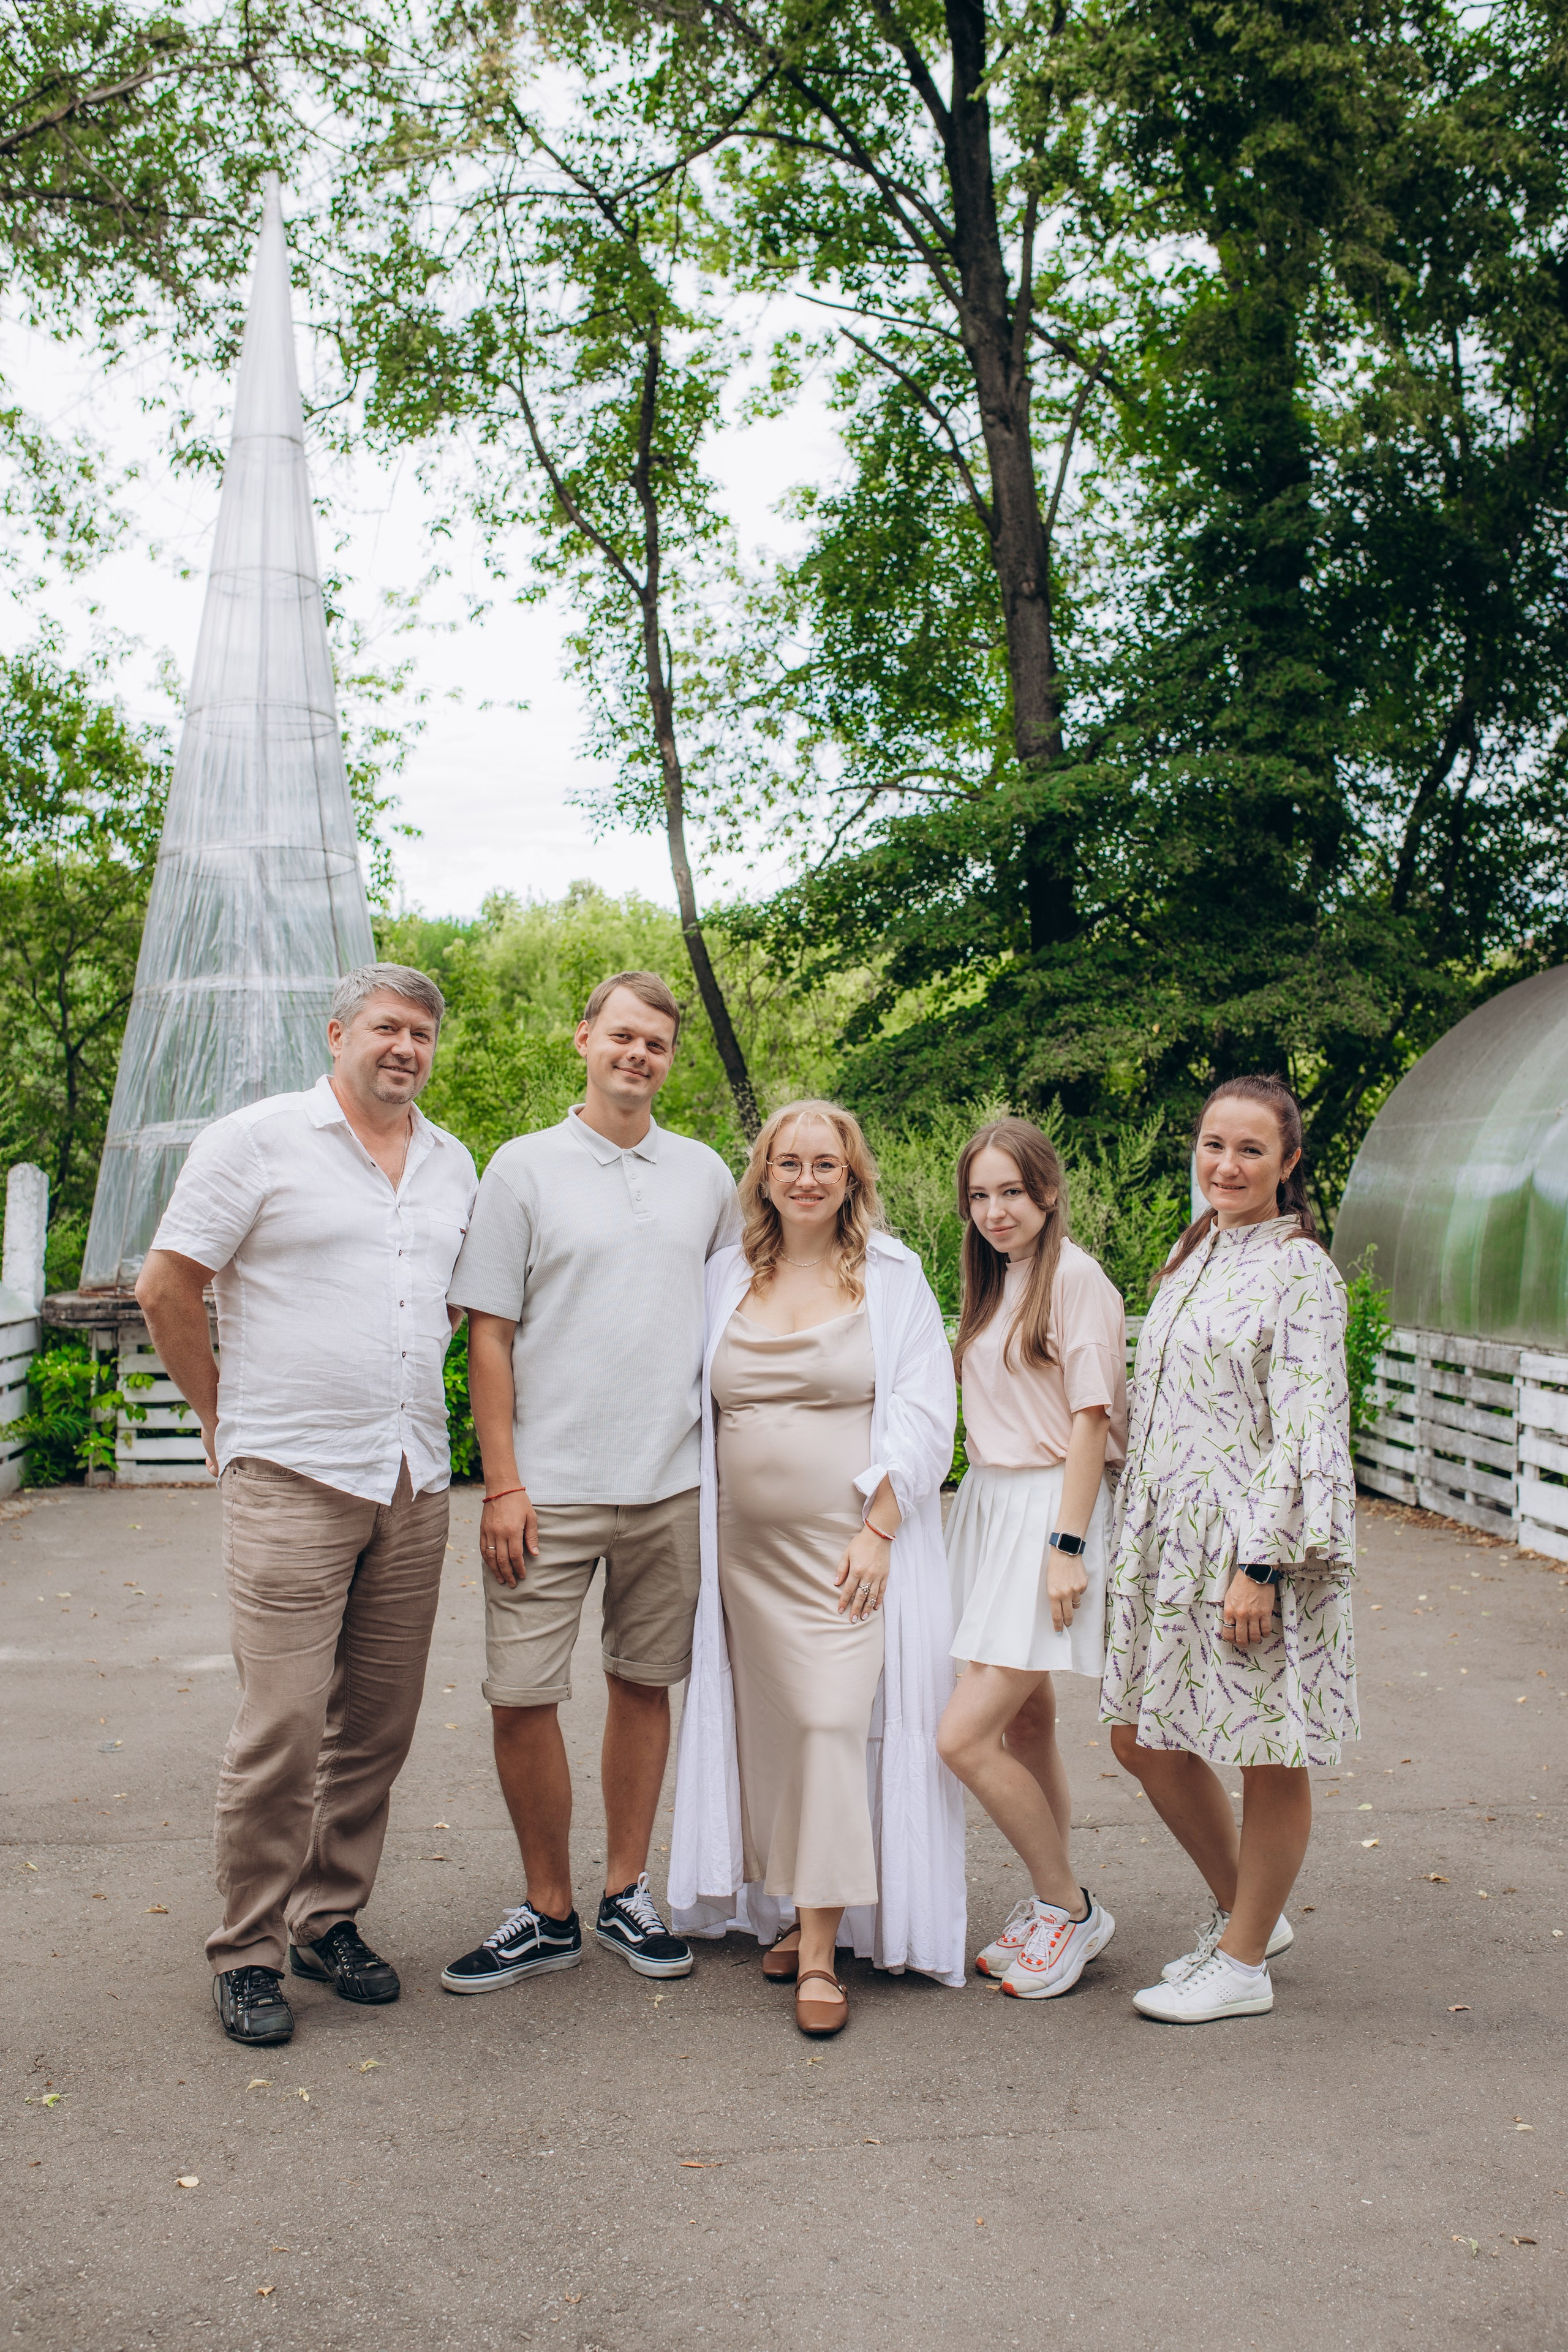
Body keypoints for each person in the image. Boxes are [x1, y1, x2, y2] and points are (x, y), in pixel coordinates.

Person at [135, 964, 477, 2047]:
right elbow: (166, 1286)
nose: (406, 1049)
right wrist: (223, 1419)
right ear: (338, 1034)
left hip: (411, 1478)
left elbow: (444, 1306)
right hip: (290, 1475)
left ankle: (328, 1919)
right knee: (281, 1726)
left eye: (422, 1034)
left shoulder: (452, 1162)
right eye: (387, 1028)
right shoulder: (257, 1141)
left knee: (375, 1727)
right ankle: (246, 1951)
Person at [439, 972, 739, 1996]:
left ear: (669, 1060)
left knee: (643, 1684)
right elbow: (489, 1336)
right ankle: (547, 1908)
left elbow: (739, 1317)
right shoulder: (522, 1168)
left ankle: (623, 1892)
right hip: (546, 1490)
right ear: (584, 1039)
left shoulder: (705, 1174)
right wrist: (503, 1483)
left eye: (656, 1043)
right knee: (520, 1697)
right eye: (622, 1035)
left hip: (672, 1486)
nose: (638, 1054)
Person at [668, 1100, 966, 2034]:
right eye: (788, 1163)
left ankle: (822, 1956)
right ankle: (801, 1914)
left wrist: (880, 1527)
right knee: (774, 1735)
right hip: (744, 1555)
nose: (806, 1179)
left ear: (851, 1178)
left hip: (846, 1550)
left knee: (831, 1723)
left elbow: (927, 1411)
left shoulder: (891, 1274)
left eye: (825, 1165)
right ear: (764, 1175)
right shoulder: (725, 1273)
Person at [1102, 1074, 1358, 2024]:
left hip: (1252, 1548)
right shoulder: (1197, 1248)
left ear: (1289, 1161)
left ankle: (1243, 1962)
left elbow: (1309, 1429)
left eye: (1252, 1149)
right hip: (1169, 1540)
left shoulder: (1300, 1271)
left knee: (1266, 1752)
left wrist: (1261, 1566)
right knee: (1139, 1735)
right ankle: (1252, 1915)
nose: (1228, 1164)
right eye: (1214, 1144)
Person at [936, 1118, 1127, 1999]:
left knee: (962, 1737)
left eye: (1011, 1191)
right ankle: (1053, 1900)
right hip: (990, 1505)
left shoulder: (1076, 1279)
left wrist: (1066, 1546)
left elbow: (1091, 1420)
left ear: (1047, 1191)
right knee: (1026, 1723)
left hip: (1049, 1510)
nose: (995, 1211)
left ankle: (1070, 1907)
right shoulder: (996, 1280)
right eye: (980, 1196)